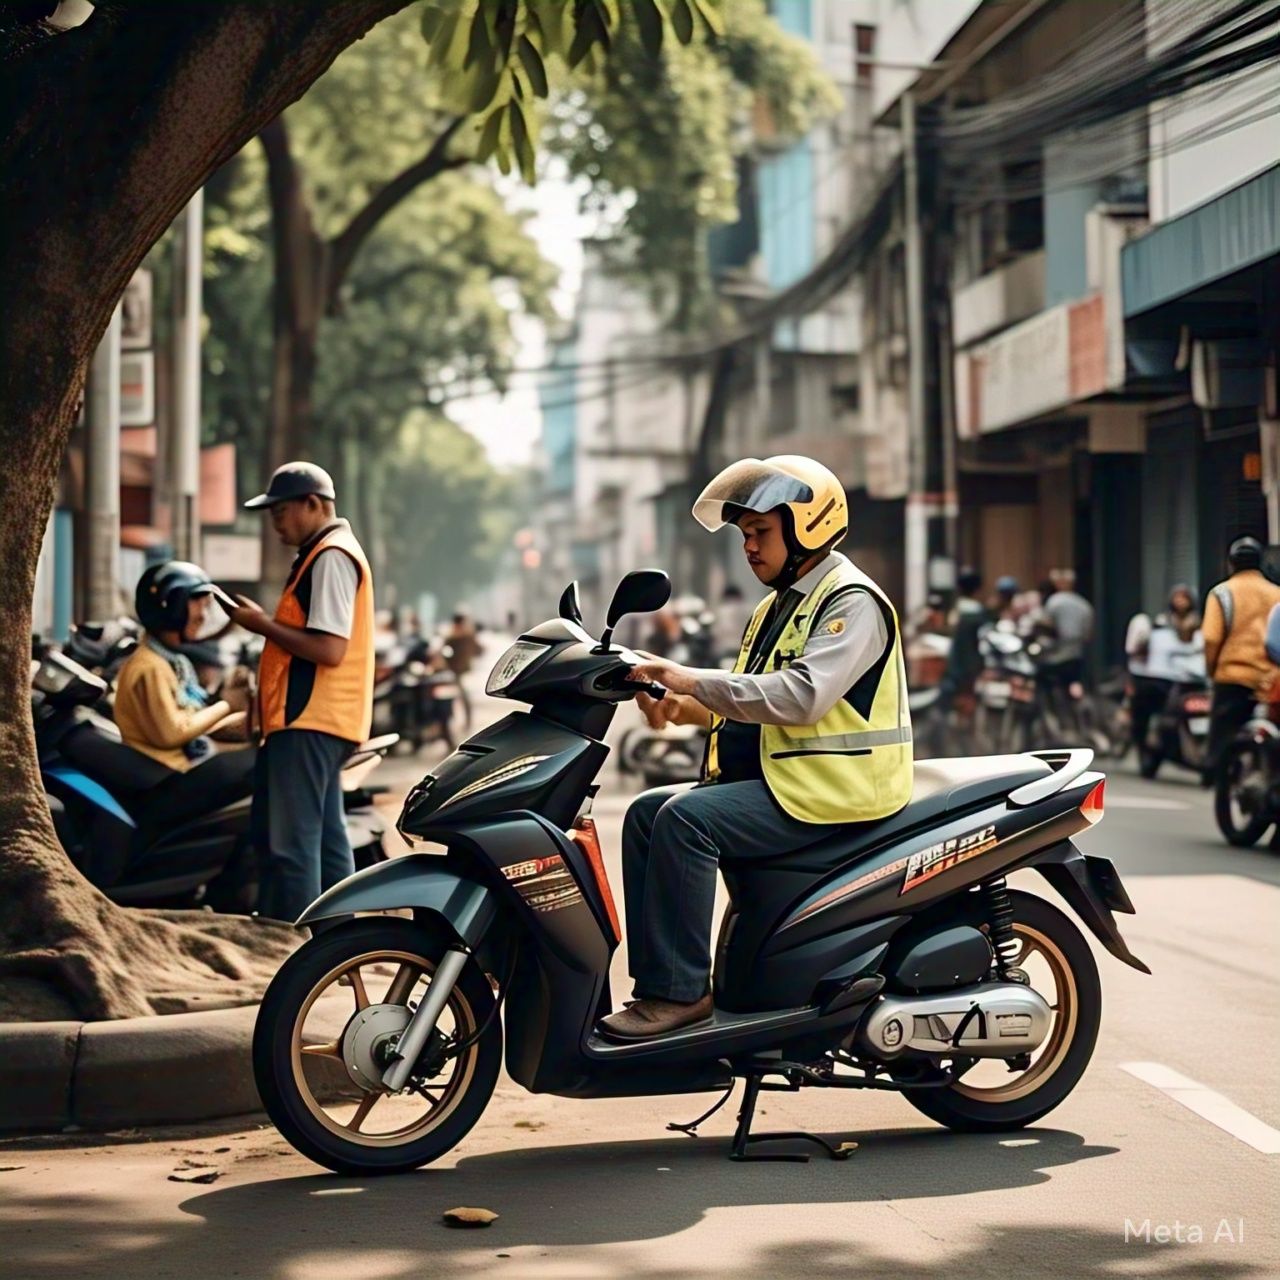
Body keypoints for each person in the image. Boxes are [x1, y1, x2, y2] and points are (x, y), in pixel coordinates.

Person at [597, 455, 913, 1040]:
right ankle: (657, 986)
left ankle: (681, 994)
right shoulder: (776, 606)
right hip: (784, 784)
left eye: (760, 532)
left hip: (834, 796)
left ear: (808, 525)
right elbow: (748, 704)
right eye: (745, 535)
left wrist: (691, 678)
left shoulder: (851, 602)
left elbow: (800, 699)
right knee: (645, 813)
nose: (749, 547)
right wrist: (674, 702)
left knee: (686, 821)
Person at [231, 462, 376, 923]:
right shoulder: (325, 553)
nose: (275, 523)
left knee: (292, 846)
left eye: (281, 511)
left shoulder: (331, 555)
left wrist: (263, 627)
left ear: (314, 505)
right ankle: (337, 946)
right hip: (325, 721)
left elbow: (329, 649)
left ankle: (294, 952)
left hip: (310, 719)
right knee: (329, 844)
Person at [113, 561, 255, 822]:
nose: (203, 615)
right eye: (197, 604)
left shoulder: (171, 661)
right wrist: (226, 704)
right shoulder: (149, 666)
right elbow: (172, 732)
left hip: (180, 766)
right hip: (165, 776)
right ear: (171, 606)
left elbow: (196, 718)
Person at [1201, 536, 1280, 784]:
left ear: (1231, 563)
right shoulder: (1277, 594)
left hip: (1234, 676)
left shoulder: (1222, 593)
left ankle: (1217, 777)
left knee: (1224, 735)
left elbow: (1211, 638)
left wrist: (1212, 669)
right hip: (1271, 680)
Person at [1124, 586, 1205, 755]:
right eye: (1177, 597)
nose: (1181, 602)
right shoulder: (1161, 623)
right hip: (1164, 677)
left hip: (1193, 678)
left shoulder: (1198, 625)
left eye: (1185, 598)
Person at [936, 568, 988, 712]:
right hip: (969, 664)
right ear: (978, 589)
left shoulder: (957, 609)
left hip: (954, 662)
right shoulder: (977, 612)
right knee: (967, 700)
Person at [443, 610, 482, 729]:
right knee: (461, 697)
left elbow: (445, 652)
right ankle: (465, 721)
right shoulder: (467, 635)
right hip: (461, 670)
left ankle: (465, 722)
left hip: (458, 671)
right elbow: (479, 650)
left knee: (461, 697)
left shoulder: (453, 636)